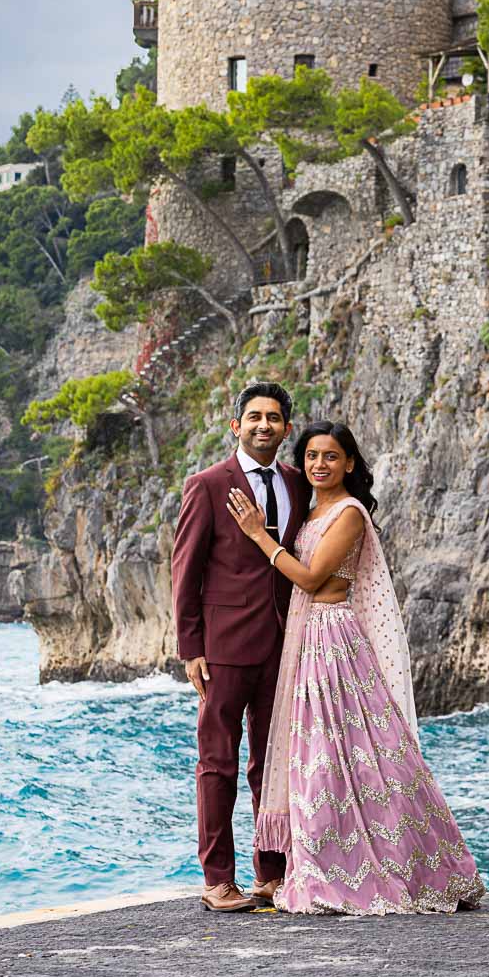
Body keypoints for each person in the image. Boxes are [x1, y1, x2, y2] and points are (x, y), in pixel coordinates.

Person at [226, 419, 486, 916]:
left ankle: (376, 868)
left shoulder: (348, 513)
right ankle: (316, 863)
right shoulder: (311, 510)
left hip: (334, 640)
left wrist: (259, 535)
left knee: (349, 759)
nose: (319, 465)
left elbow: (310, 576)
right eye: (311, 456)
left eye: (330, 456)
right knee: (319, 759)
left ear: (349, 463)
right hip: (310, 642)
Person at [171, 381, 310, 912]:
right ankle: (217, 879)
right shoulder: (207, 484)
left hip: (286, 645)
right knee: (218, 763)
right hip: (223, 648)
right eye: (254, 417)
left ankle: (271, 875)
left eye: (274, 418)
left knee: (273, 764)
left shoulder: (299, 483)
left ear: (286, 429)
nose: (263, 426)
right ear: (236, 425)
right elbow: (186, 571)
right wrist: (191, 648)